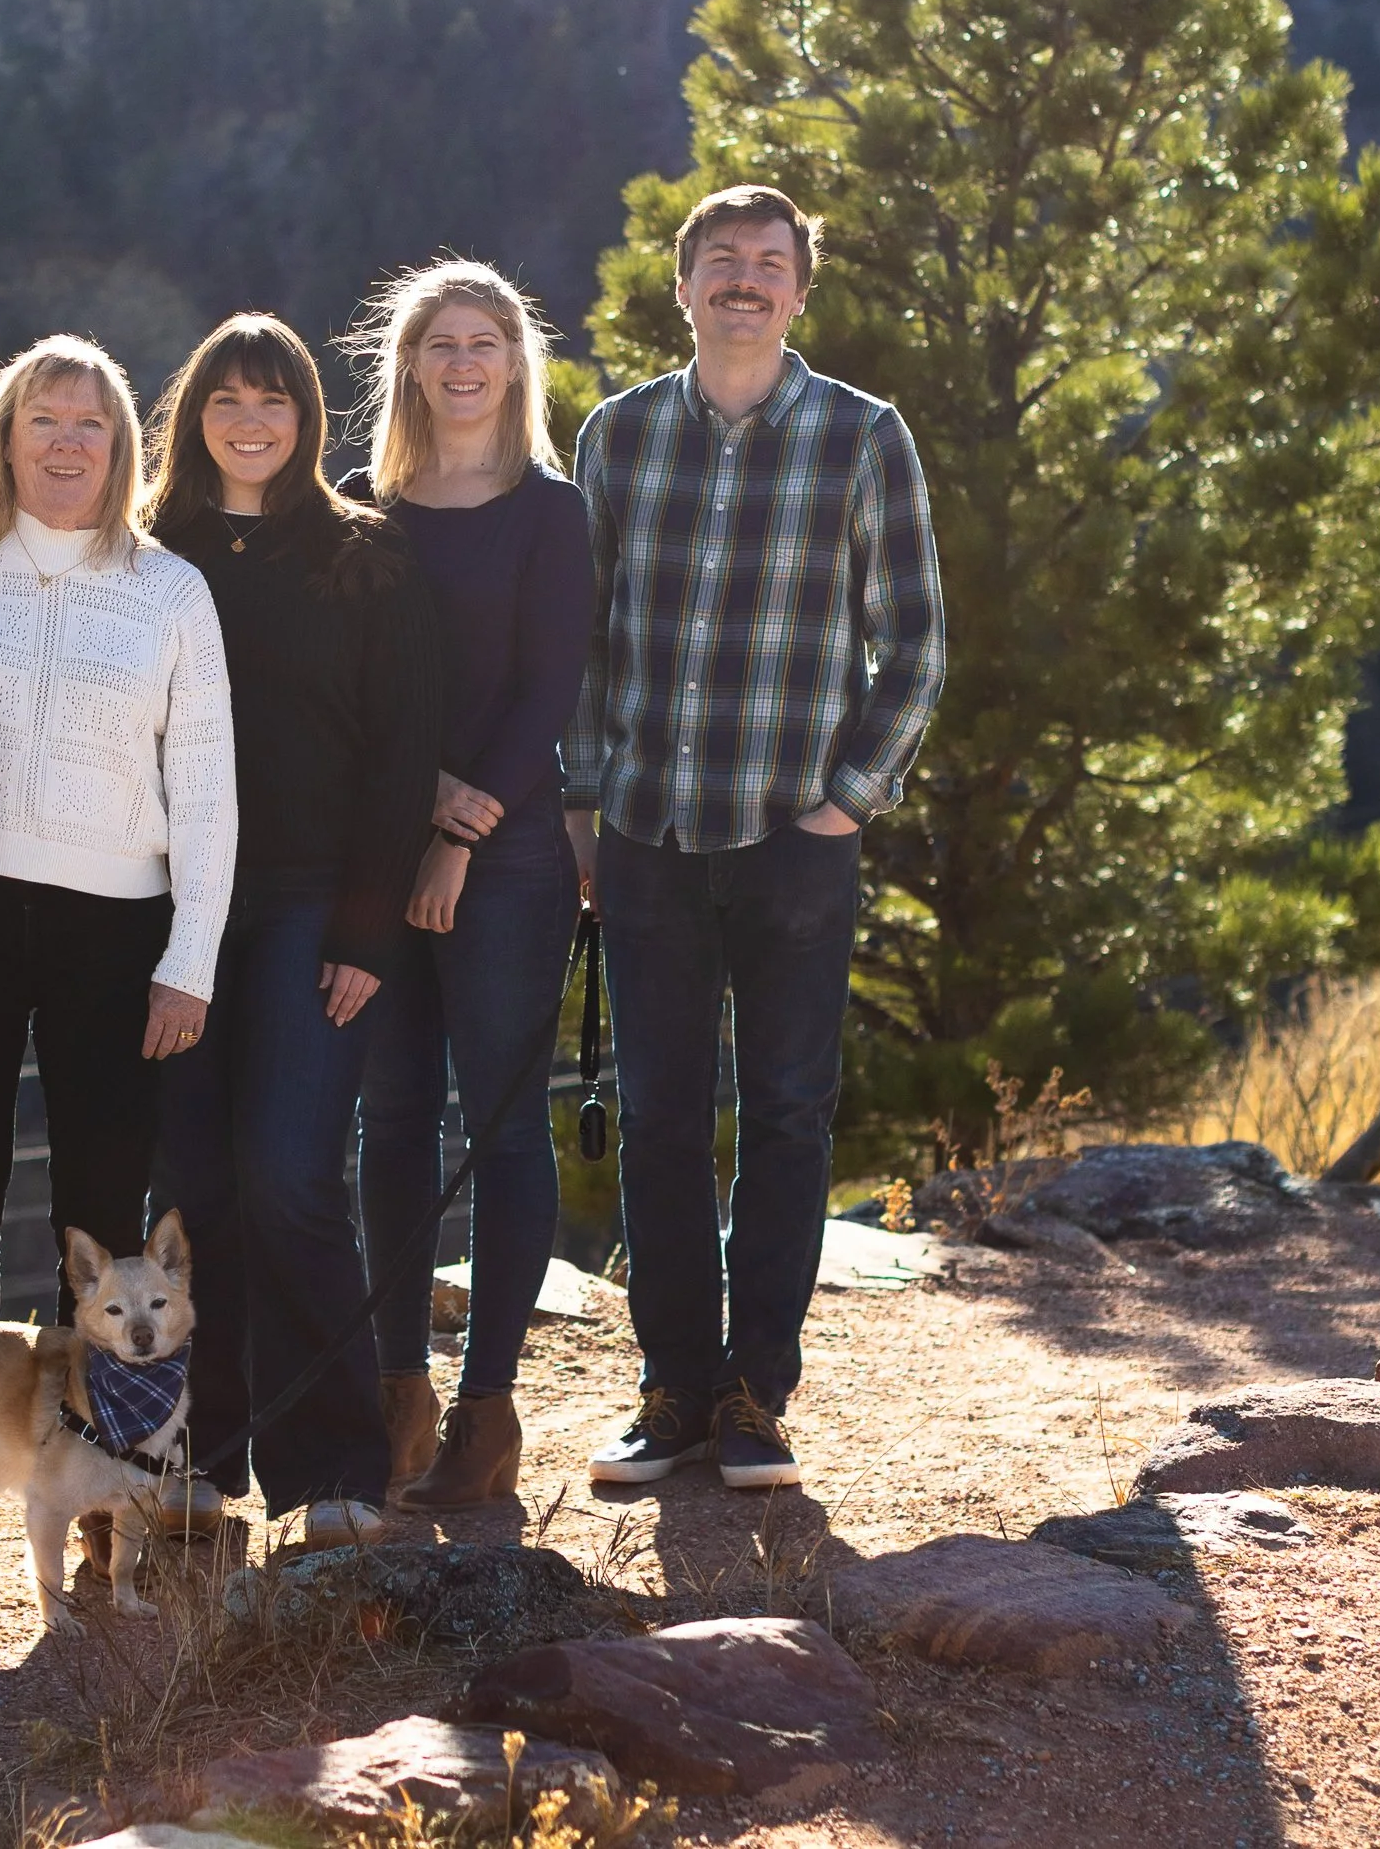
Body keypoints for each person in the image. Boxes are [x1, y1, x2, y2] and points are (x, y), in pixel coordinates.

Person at [568, 187, 944, 1496]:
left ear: (798, 290)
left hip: (796, 837)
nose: (743, 280)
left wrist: (847, 797)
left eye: (768, 264)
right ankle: (671, 1388)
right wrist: (583, 805)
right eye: (720, 260)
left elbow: (916, 638)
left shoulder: (861, 437)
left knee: (787, 1114)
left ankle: (754, 1399)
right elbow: (583, 640)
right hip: (650, 838)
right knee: (666, 1118)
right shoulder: (615, 439)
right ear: (683, 287)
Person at [146, 313, 444, 1548]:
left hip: (316, 902)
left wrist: (369, 932)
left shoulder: (367, 557)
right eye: (228, 398)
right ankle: (195, 1464)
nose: (252, 420)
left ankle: (333, 1472)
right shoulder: (146, 549)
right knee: (196, 1187)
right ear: (195, 415)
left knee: (290, 1177)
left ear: (308, 418)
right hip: (169, 907)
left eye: (275, 400)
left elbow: (401, 753)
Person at [0, 336, 237, 1444]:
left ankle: (98, 1457)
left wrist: (188, 966)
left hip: (117, 932)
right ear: (3, 436)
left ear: (122, 446)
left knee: (97, 1211)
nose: (66, 442)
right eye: (43, 419)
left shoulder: (171, 591)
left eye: (89, 424)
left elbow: (205, 794)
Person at [345, 261, 595, 1508]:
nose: (461, 362)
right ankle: (399, 1397)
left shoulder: (551, 511)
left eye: (483, 341)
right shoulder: (359, 506)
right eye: (439, 342)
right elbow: (345, 693)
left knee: (501, 1130)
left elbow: (550, 688)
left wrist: (460, 826)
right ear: (409, 364)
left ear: (514, 362)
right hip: (382, 850)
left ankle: (487, 1414)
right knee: (389, 1125)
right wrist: (415, 810)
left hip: (509, 863)